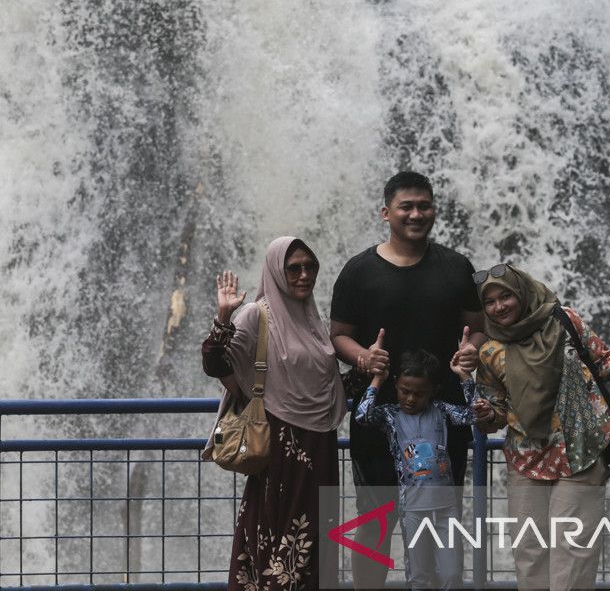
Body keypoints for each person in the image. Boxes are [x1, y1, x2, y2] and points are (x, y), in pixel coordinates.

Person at [329, 170, 483, 588]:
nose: (417, 214)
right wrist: (364, 356)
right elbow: (338, 334)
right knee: (374, 523)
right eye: (406, 207)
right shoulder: (359, 271)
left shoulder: (456, 268)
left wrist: (473, 350)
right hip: (377, 418)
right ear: (386, 212)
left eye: (424, 206)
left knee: (440, 523)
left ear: (434, 209)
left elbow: (478, 328)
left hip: (443, 423)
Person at [471, 264, 610, 590]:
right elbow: (498, 412)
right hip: (526, 460)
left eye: (506, 295)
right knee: (529, 552)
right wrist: (486, 414)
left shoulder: (563, 320)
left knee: (573, 551)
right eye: (490, 302)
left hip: (580, 451)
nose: (499, 306)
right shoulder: (489, 350)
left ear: (521, 292)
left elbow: (601, 362)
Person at [202, 236, 345, 590]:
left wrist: (367, 366)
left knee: (315, 544)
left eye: (310, 267)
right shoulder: (257, 314)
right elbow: (214, 362)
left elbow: (326, 387)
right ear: (276, 271)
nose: (303, 275)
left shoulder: (313, 321)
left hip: (320, 446)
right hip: (281, 448)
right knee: (279, 540)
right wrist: (224, 316)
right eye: (293, 268)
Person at [355, 348, 476, 590]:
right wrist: (378, 379)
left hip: (446, 509)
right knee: (418, 577)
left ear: (434, 391)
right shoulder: (391, 415)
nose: (410, 399)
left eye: (419, 394)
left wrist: (464, 377)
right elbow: (362, 415)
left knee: (452, 574)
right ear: (396, 385)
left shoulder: (441, 411)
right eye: (405, 391)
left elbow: (474, 413)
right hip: (413, 509)